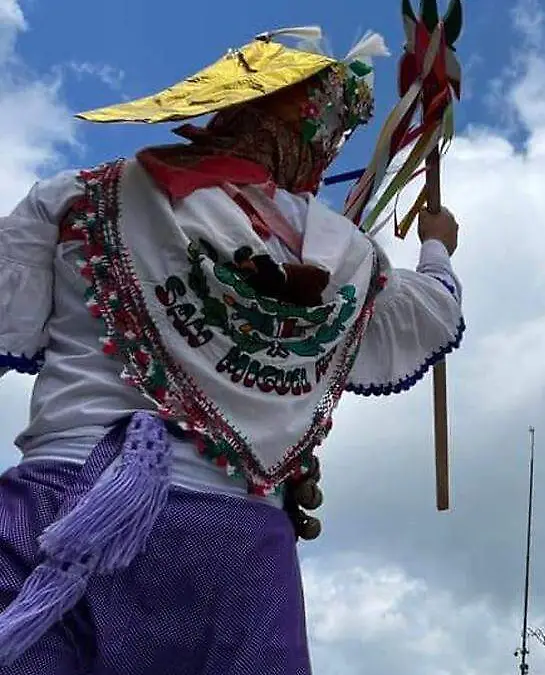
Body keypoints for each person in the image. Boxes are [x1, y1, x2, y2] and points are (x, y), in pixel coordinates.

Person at [0, 27, 464, 673]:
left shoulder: (78, 193)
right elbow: (431, 313)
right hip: (236, 547)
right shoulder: (343, 255)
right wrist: (438, 246)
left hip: (60, 500)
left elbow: (11, 319)